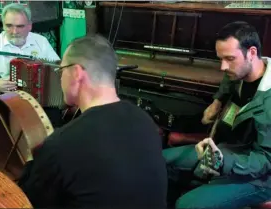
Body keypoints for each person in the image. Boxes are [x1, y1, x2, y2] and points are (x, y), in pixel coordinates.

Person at [17, 34, 168, 209]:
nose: (60, 78)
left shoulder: (61, 145)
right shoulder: (144, 120)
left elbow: (27, 201)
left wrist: (32, 162)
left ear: (76, 73)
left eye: (61, 70)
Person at [163, 21, 271, 209]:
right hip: (226, 150)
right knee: (159, 161)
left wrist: (223, 162)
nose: (223, 67)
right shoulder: (244, 69)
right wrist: (218, 100)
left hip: (261, 179)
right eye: (220, 59)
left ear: (251, 53)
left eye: (229, 59)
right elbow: (228, 79)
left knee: (186, 206)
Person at [0, 3, 61, 127]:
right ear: (3, 24)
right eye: (9, 26)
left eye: (20, 26)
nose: (14, 31)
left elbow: (56, 67)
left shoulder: (40, 41)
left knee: (55, 119)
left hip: (40, 97)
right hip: (9, 97)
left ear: (29, 26)